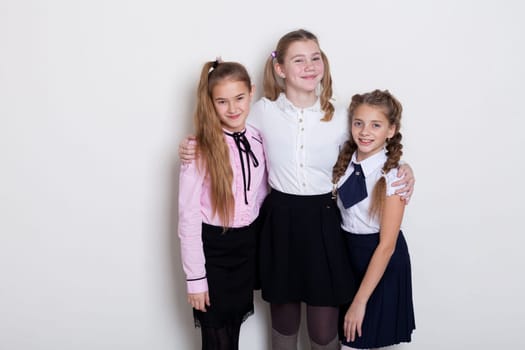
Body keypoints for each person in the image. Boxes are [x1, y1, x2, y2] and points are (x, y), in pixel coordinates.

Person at [179, 29, 415, 350]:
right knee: (284, 322)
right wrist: (194, 146)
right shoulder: (261, 110)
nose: (309, 66)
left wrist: (404, 168)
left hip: (324, 222)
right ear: (280, 69)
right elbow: (228, 130)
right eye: (298, 60)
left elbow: (372, 143)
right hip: (279, 222)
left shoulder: (343, 114)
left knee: (322, 328)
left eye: (315, 58)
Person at [177, 59, 268, 350]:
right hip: (213, 252)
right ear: (211, 103)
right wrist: (196, 279)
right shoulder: (199, 149)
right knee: (215, 338)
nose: (233, 108)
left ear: (252, 92)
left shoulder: (258, 139)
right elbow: (188, 218)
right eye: (222, 101)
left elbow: (263, 195)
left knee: (233, 330)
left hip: (245, 249)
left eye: (239, 98)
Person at [332, 89, 415, 349]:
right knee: (346, 339)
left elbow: (387, 245)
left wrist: (359, 302)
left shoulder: (393, 177)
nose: (365, 131)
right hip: (348, 257)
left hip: (380, 261)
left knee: (362, 338)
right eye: (359, 123)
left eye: (375, 125)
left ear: (391, 130)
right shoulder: (343, 162)